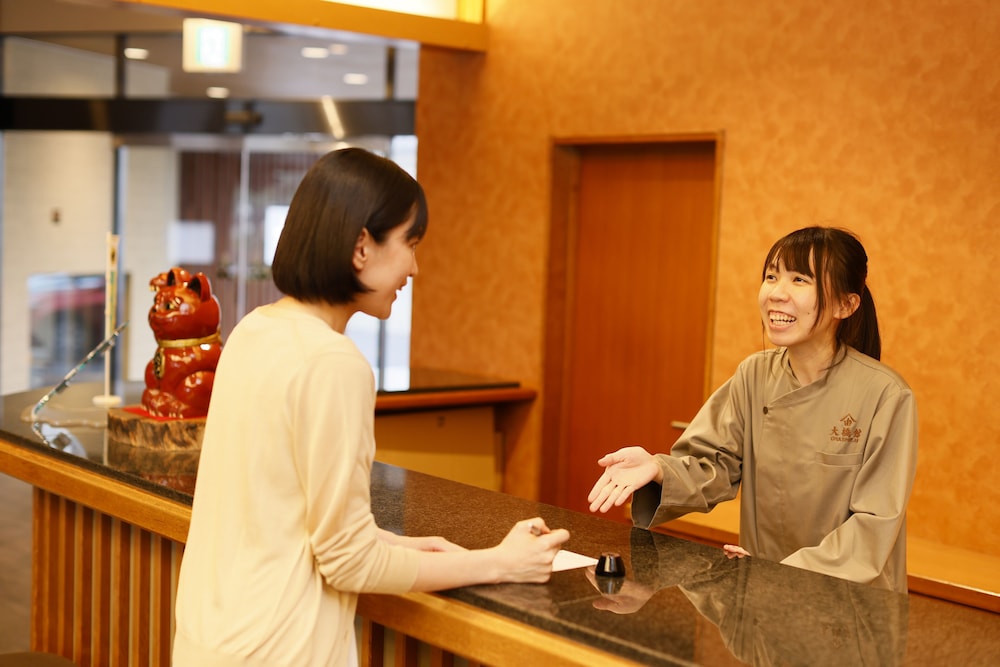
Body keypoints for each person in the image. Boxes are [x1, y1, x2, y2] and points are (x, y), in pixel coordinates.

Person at [172, 148, 570, 666]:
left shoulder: (255, 330)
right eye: (411, 243)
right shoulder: (333, 362)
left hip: (212, 637)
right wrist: (497, 564)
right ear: (362, 246)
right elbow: (347, 562)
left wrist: (409, 546)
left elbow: (288, 513)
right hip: (280, 647)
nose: (415, 266)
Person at [587, 226, 917, 594]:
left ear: (846, 304)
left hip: (848, 604)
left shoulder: (886, 394)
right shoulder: (754, 374)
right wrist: (658, 469)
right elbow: (715, 465)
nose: (776, 293)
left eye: (799, 280)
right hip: (764, 596)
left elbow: (873, 525)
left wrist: (777, 574)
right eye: (771, 276)